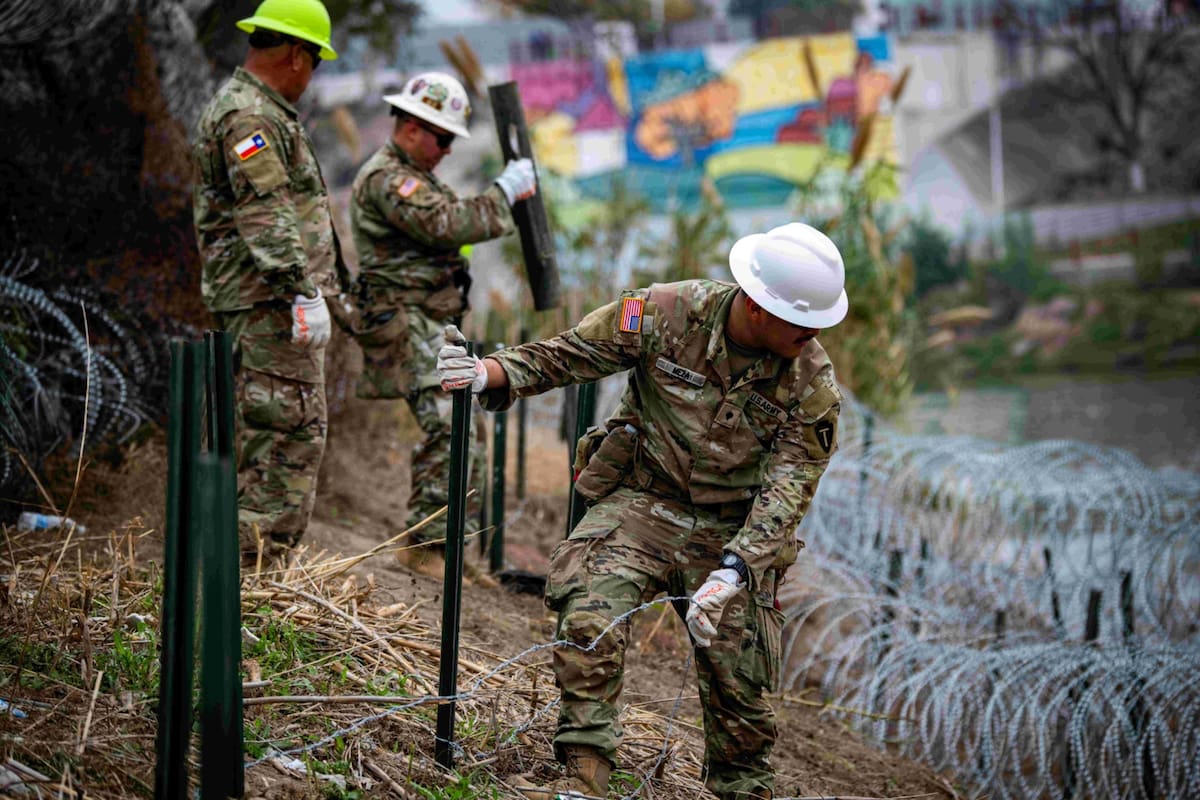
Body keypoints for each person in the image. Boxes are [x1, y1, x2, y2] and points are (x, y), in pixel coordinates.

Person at [437, 222, 849, 800]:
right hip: (645, 500)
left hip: (734, 531)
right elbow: (573, 353)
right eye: (803, 324)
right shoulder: (666, 312)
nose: (813, 335)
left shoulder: (811, 384)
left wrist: (736, 570)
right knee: (589, 604)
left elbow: (789, 488)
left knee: (742, 681)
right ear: (758, 307)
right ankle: (585, 772)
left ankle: (742, 787)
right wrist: (488, 372)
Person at [348, 71, 536, 577]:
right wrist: (504, 193)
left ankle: (449, 546)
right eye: (444, 137)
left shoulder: (416, 176)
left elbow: (447, 222)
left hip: (426, 320)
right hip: (405, 322)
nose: (448, 150)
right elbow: (450, 223)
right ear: (412, 126)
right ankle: (425, 547)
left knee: (464, 426)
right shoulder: (391, 179)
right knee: (446, 425)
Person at [192, 0, 343, 564]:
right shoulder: (250, 117)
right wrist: (301, 291)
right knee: (285, 438)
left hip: (261, 306)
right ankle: (251, 579)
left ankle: (241, 578)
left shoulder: (253, 110)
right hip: (269, 309)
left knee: (266, 437)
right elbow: (266, 213)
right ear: (299, 57)